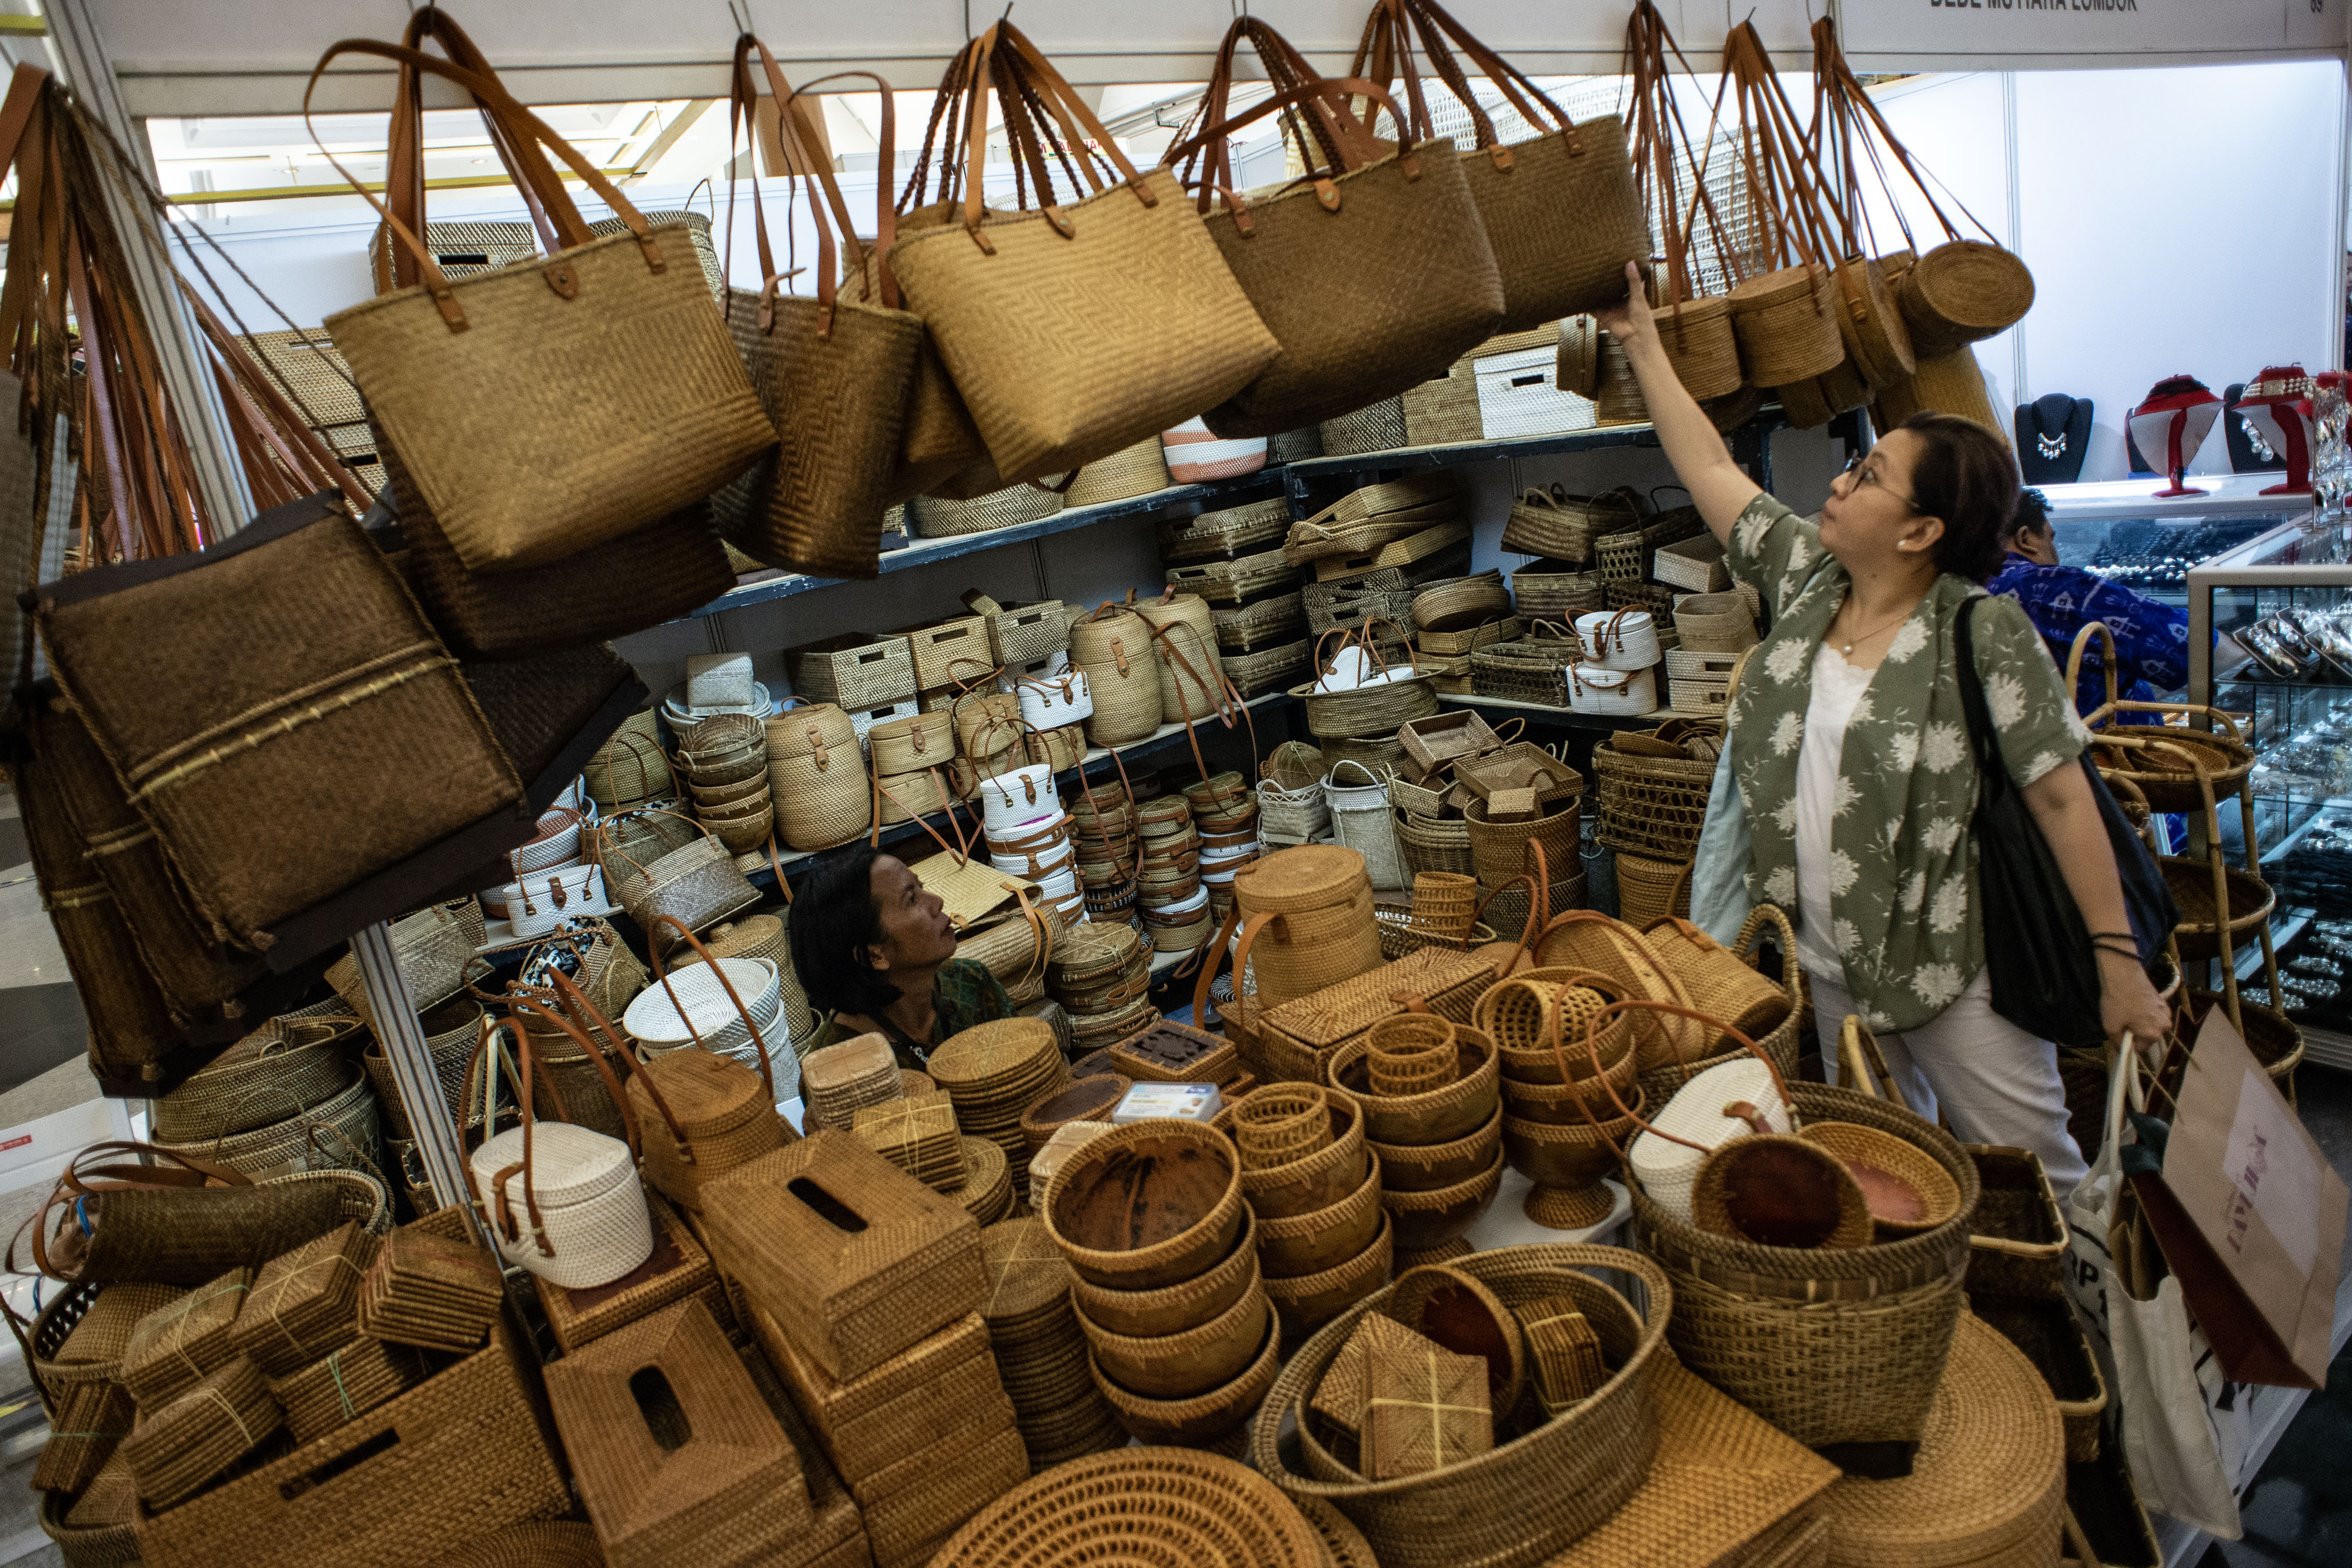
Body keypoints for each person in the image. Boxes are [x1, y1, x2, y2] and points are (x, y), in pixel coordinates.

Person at [1597, 261, 2169, 1196]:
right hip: (1828, 967)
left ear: (1920, 532)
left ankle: (2098, 1326)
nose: (1838, 483)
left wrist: (2118, 965)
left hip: (1952, 969)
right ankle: (1964, 1334)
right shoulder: (1808, 582)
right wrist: (1641, 342)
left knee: (2042, 1182)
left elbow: (2065, 798)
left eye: (1867, 476)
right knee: (1892, 1183)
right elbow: (1708, 466)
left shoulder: (1980, 632)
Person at [790, 843, 1015, 1068]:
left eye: (921, 886)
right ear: (875, 955)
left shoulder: (971, 982)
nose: (937, 902)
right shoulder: (837, 1065)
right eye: (911, 900)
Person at [1988, 487, 2192, 716]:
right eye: (2050, 537)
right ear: (2025, 538)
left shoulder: (1963, 584)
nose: (2056, 552)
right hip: (2103, 747)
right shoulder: (2053, 587)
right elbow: (2190, 648)